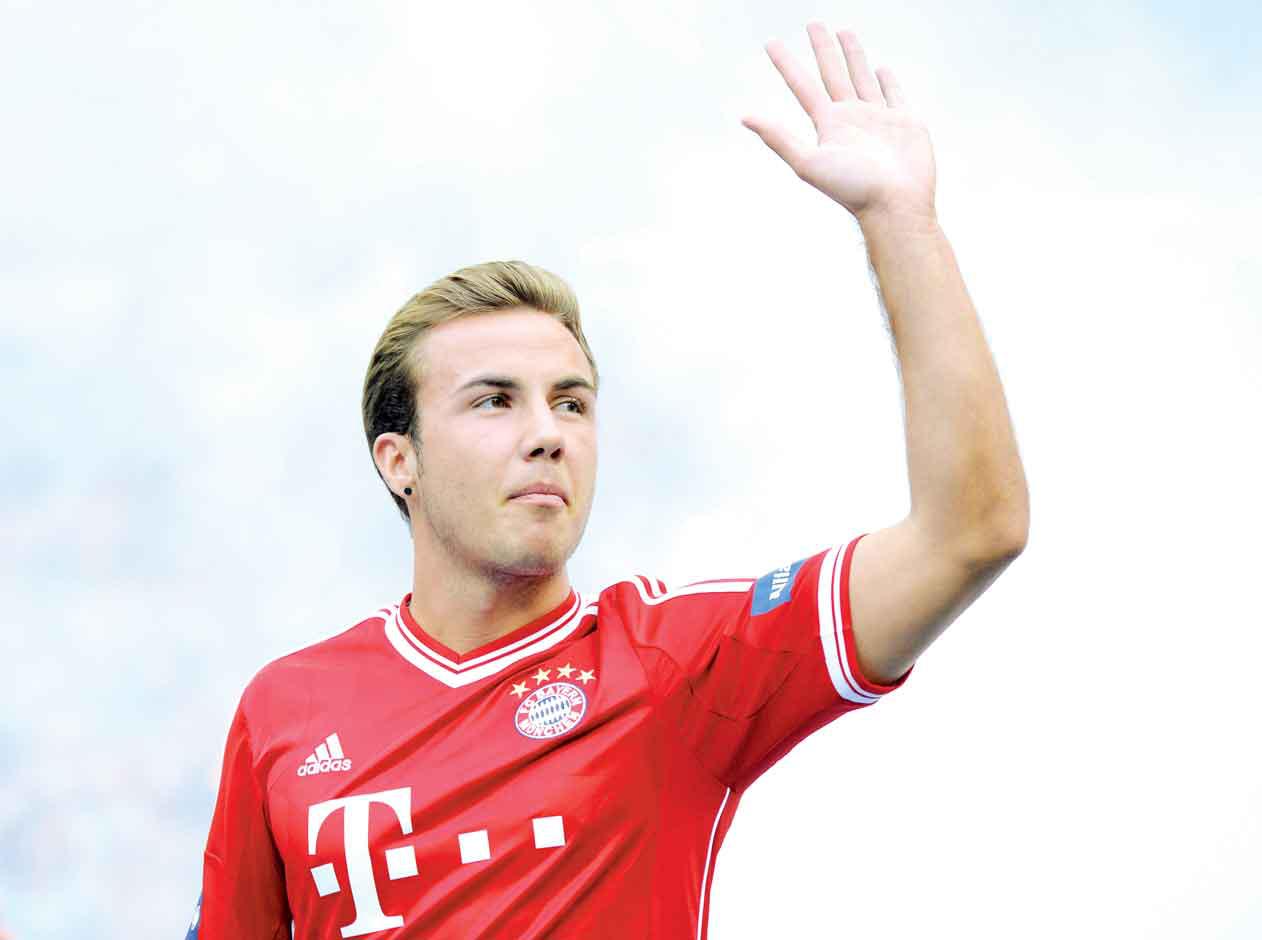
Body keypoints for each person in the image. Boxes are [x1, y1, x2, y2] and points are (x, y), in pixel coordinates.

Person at [190, 22, 1028, 939]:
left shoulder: (671, 667)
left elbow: (969, 533)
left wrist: (900, 221)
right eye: (494, 401)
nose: (547, 434)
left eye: (572, 403)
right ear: (400, 461)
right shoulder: (284, 710)